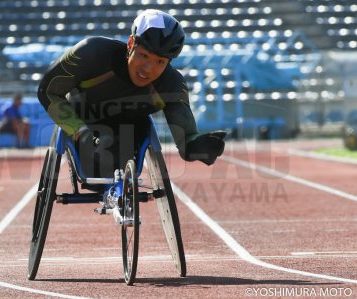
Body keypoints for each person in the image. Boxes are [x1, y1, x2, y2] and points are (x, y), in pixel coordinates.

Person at [37, 9, 225, 177]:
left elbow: (186, 140)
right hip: (82, 123)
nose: (148, 69)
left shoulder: (171, 84)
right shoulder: (91, 54)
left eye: (160, 62)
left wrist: (196, 147)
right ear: (130, 43)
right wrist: (80, 131)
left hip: (129, 136)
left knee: (118, 144)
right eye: (144, 55)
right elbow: (48, 91)